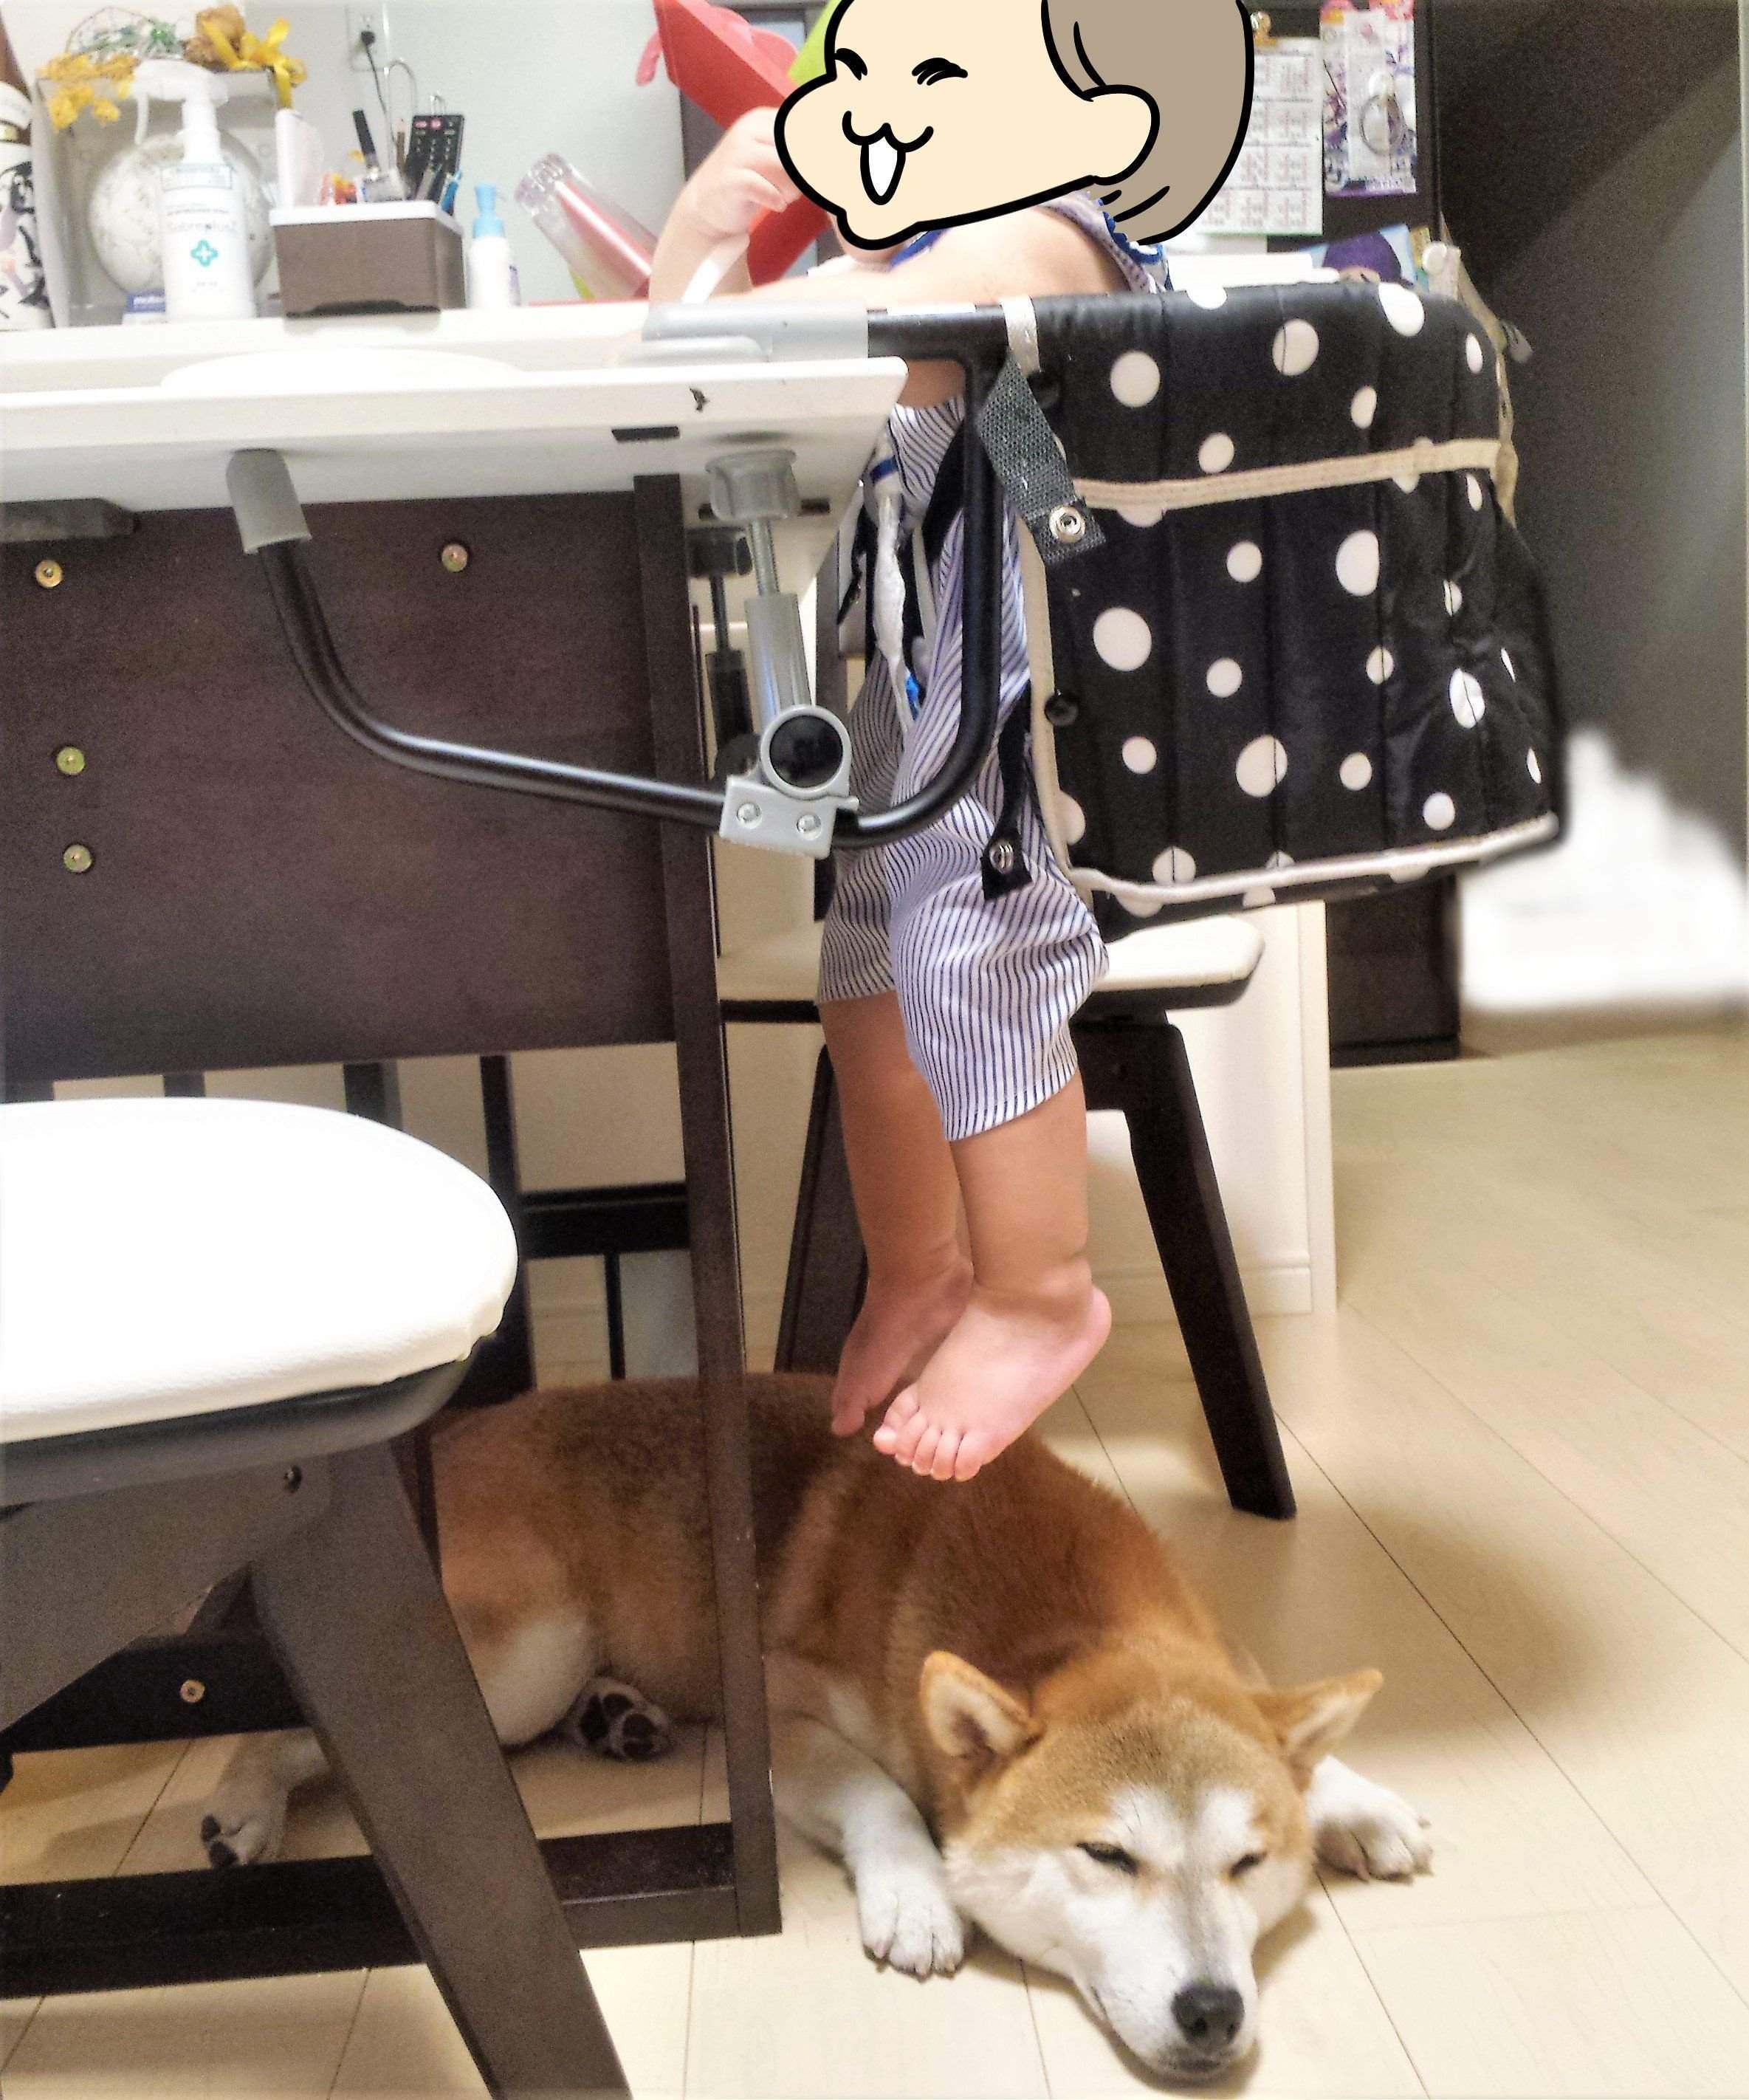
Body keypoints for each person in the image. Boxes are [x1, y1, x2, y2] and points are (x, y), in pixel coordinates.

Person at [647, 111, 1172, 1482]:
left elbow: (896, 338)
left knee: (971, 952)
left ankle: (1040, 1292)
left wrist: (738, 264)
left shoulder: (1055, 231)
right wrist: (710, 223)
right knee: (867, 974)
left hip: (1039, 670)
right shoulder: (916, 257)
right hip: (936, 655)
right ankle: (919, 1268)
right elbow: (705, 370)